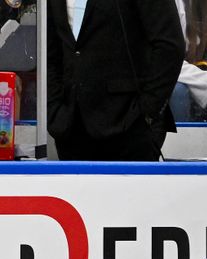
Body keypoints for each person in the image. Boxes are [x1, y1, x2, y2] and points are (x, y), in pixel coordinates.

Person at [47, 0, 184, 161]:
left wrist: (146, 111)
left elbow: (170, 46)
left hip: (128, 124)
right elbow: (50, 52)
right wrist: (55, 109)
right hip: (71, 126)